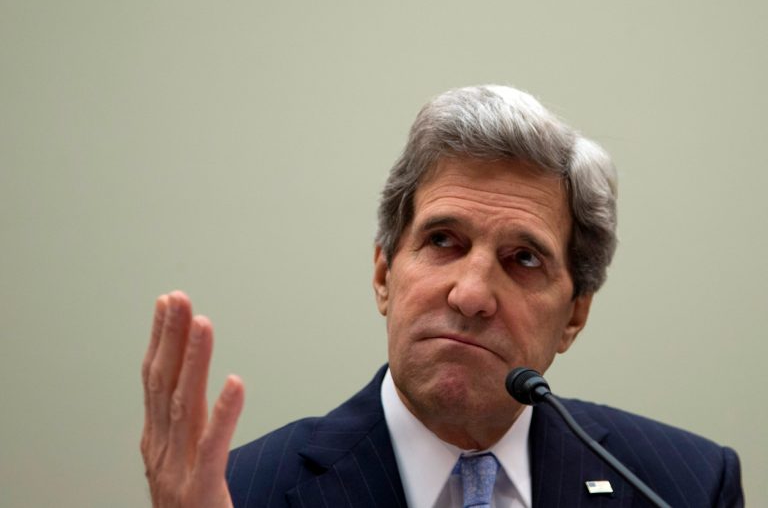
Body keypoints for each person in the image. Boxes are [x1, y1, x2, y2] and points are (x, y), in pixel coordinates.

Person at [141, 85, 744, 507]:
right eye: (443, 240)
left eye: (524, 259)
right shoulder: (238, 493)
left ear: (574, 315)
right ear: (384, 273)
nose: (472, 294)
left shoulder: (684, 485)